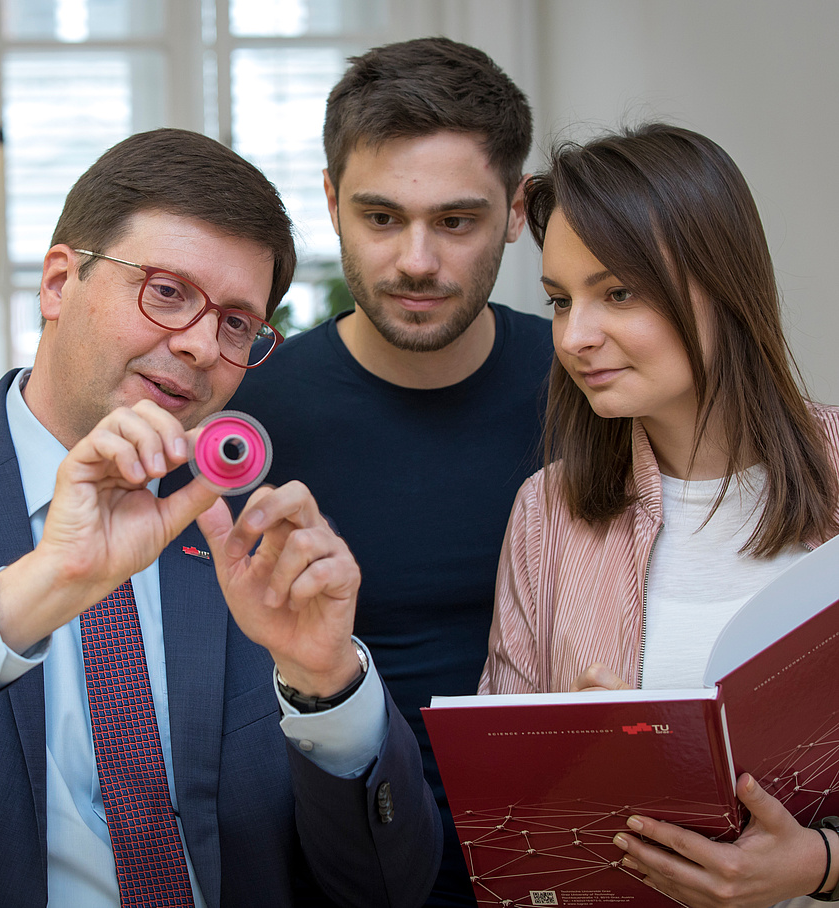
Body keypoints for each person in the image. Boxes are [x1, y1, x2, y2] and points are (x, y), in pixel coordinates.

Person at [0, 127, 442, 908]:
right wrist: (44, 584)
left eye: (237, 322)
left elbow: (386, 888)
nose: (202, 344)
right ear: (60, 283)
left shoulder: (252, 536)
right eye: (166, 291)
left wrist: (324, 686)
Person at [479, 122, 839, 907]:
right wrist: (567, 764)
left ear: (721, 281)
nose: (575, 336)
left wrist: (818, 863)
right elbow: (505, 828)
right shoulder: (546, 512)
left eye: (617, 293)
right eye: (559, 300)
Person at [231, 36, 554, 906]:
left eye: (456, 221)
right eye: (381, 218)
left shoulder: (593, 387)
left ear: (518, 209)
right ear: (332, 202)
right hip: (336, 879)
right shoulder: (252, 419)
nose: (417, 260)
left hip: (571, 869)